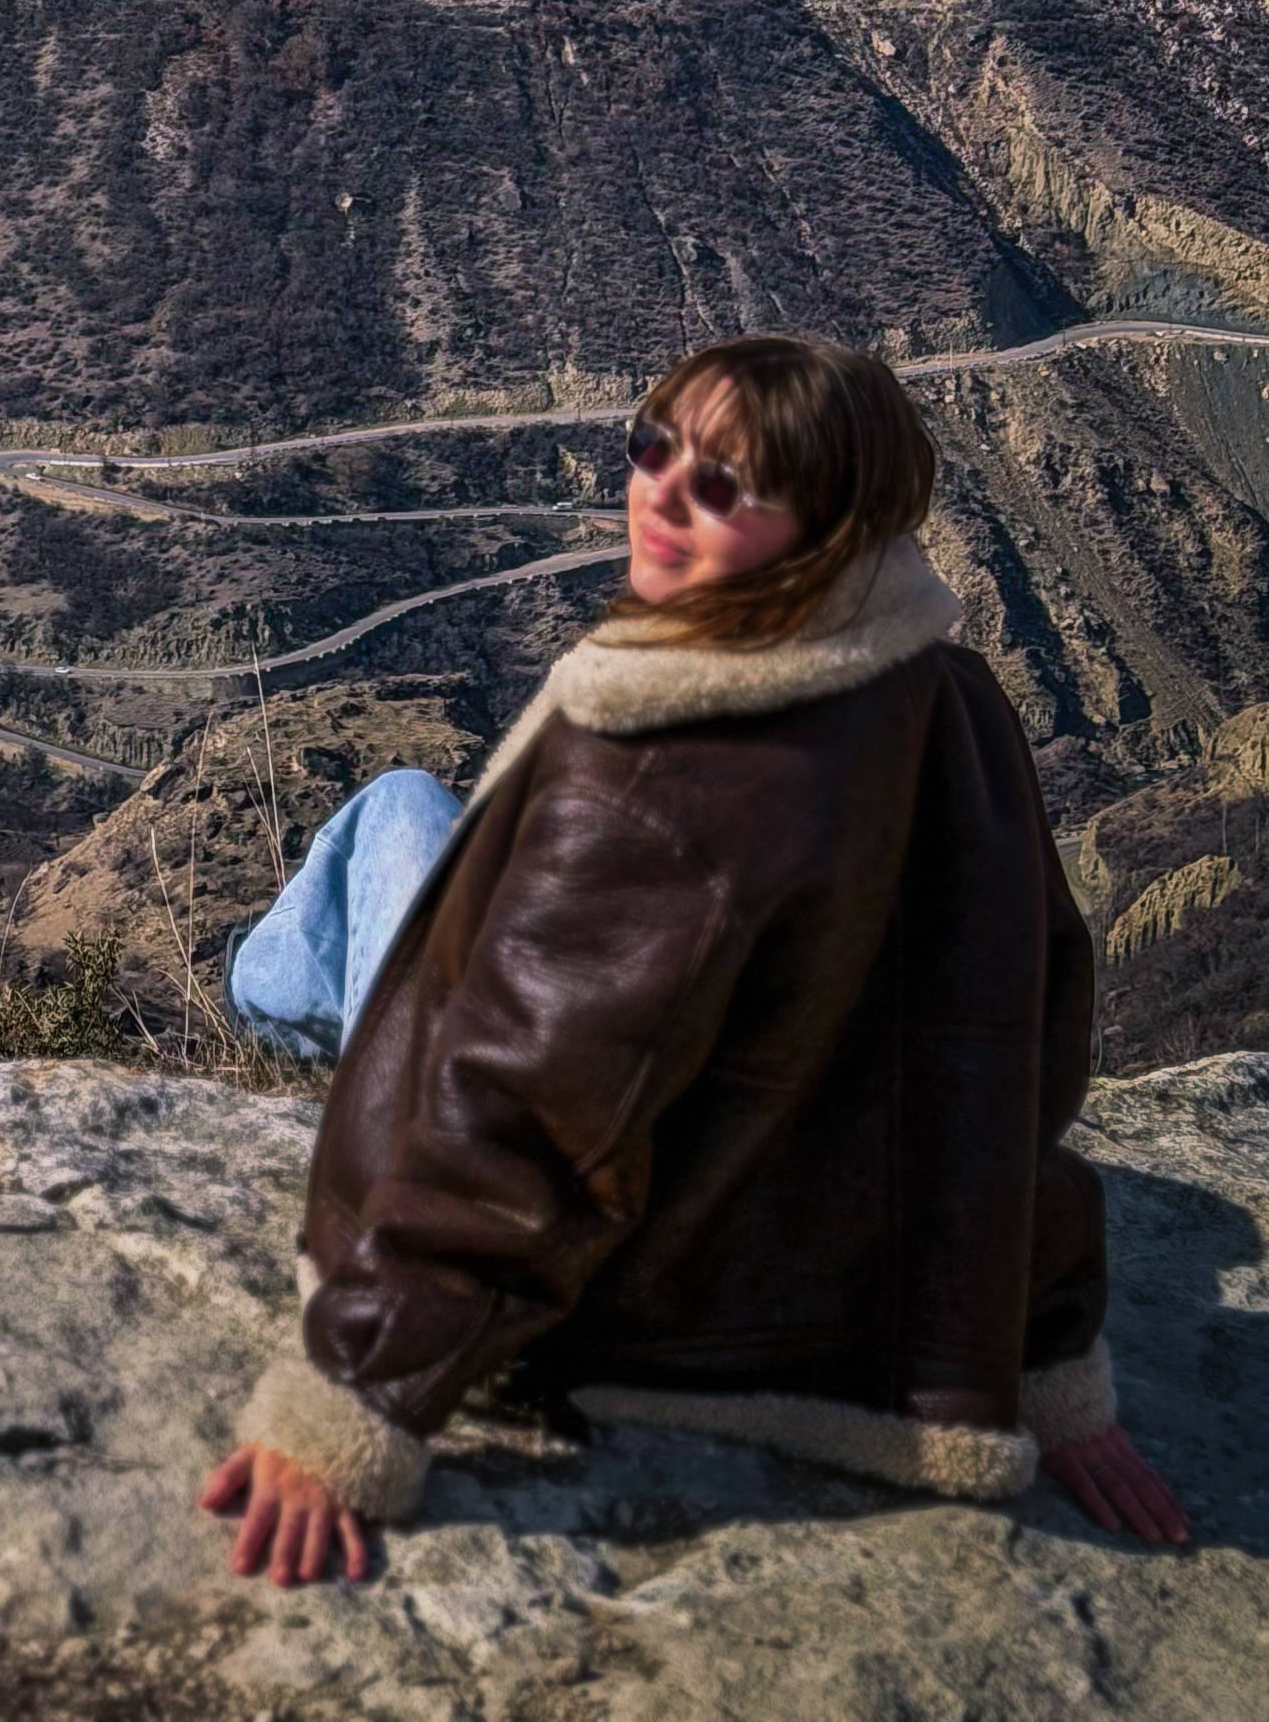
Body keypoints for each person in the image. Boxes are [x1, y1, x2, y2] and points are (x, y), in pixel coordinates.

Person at [199, 333, 1188, 1588]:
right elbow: (1007, 1056)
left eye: (723, 484)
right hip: (789, 1268)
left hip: (618, 1311)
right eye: (651, 445)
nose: (661, 492)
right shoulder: (949, 700)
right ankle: (280, 1005)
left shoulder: (657, 780)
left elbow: (527, 1122)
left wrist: (354, 1402)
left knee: (391, 814)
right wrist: (1037, 1357)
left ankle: (267, 1016)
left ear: (827, 525)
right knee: (406, 832)